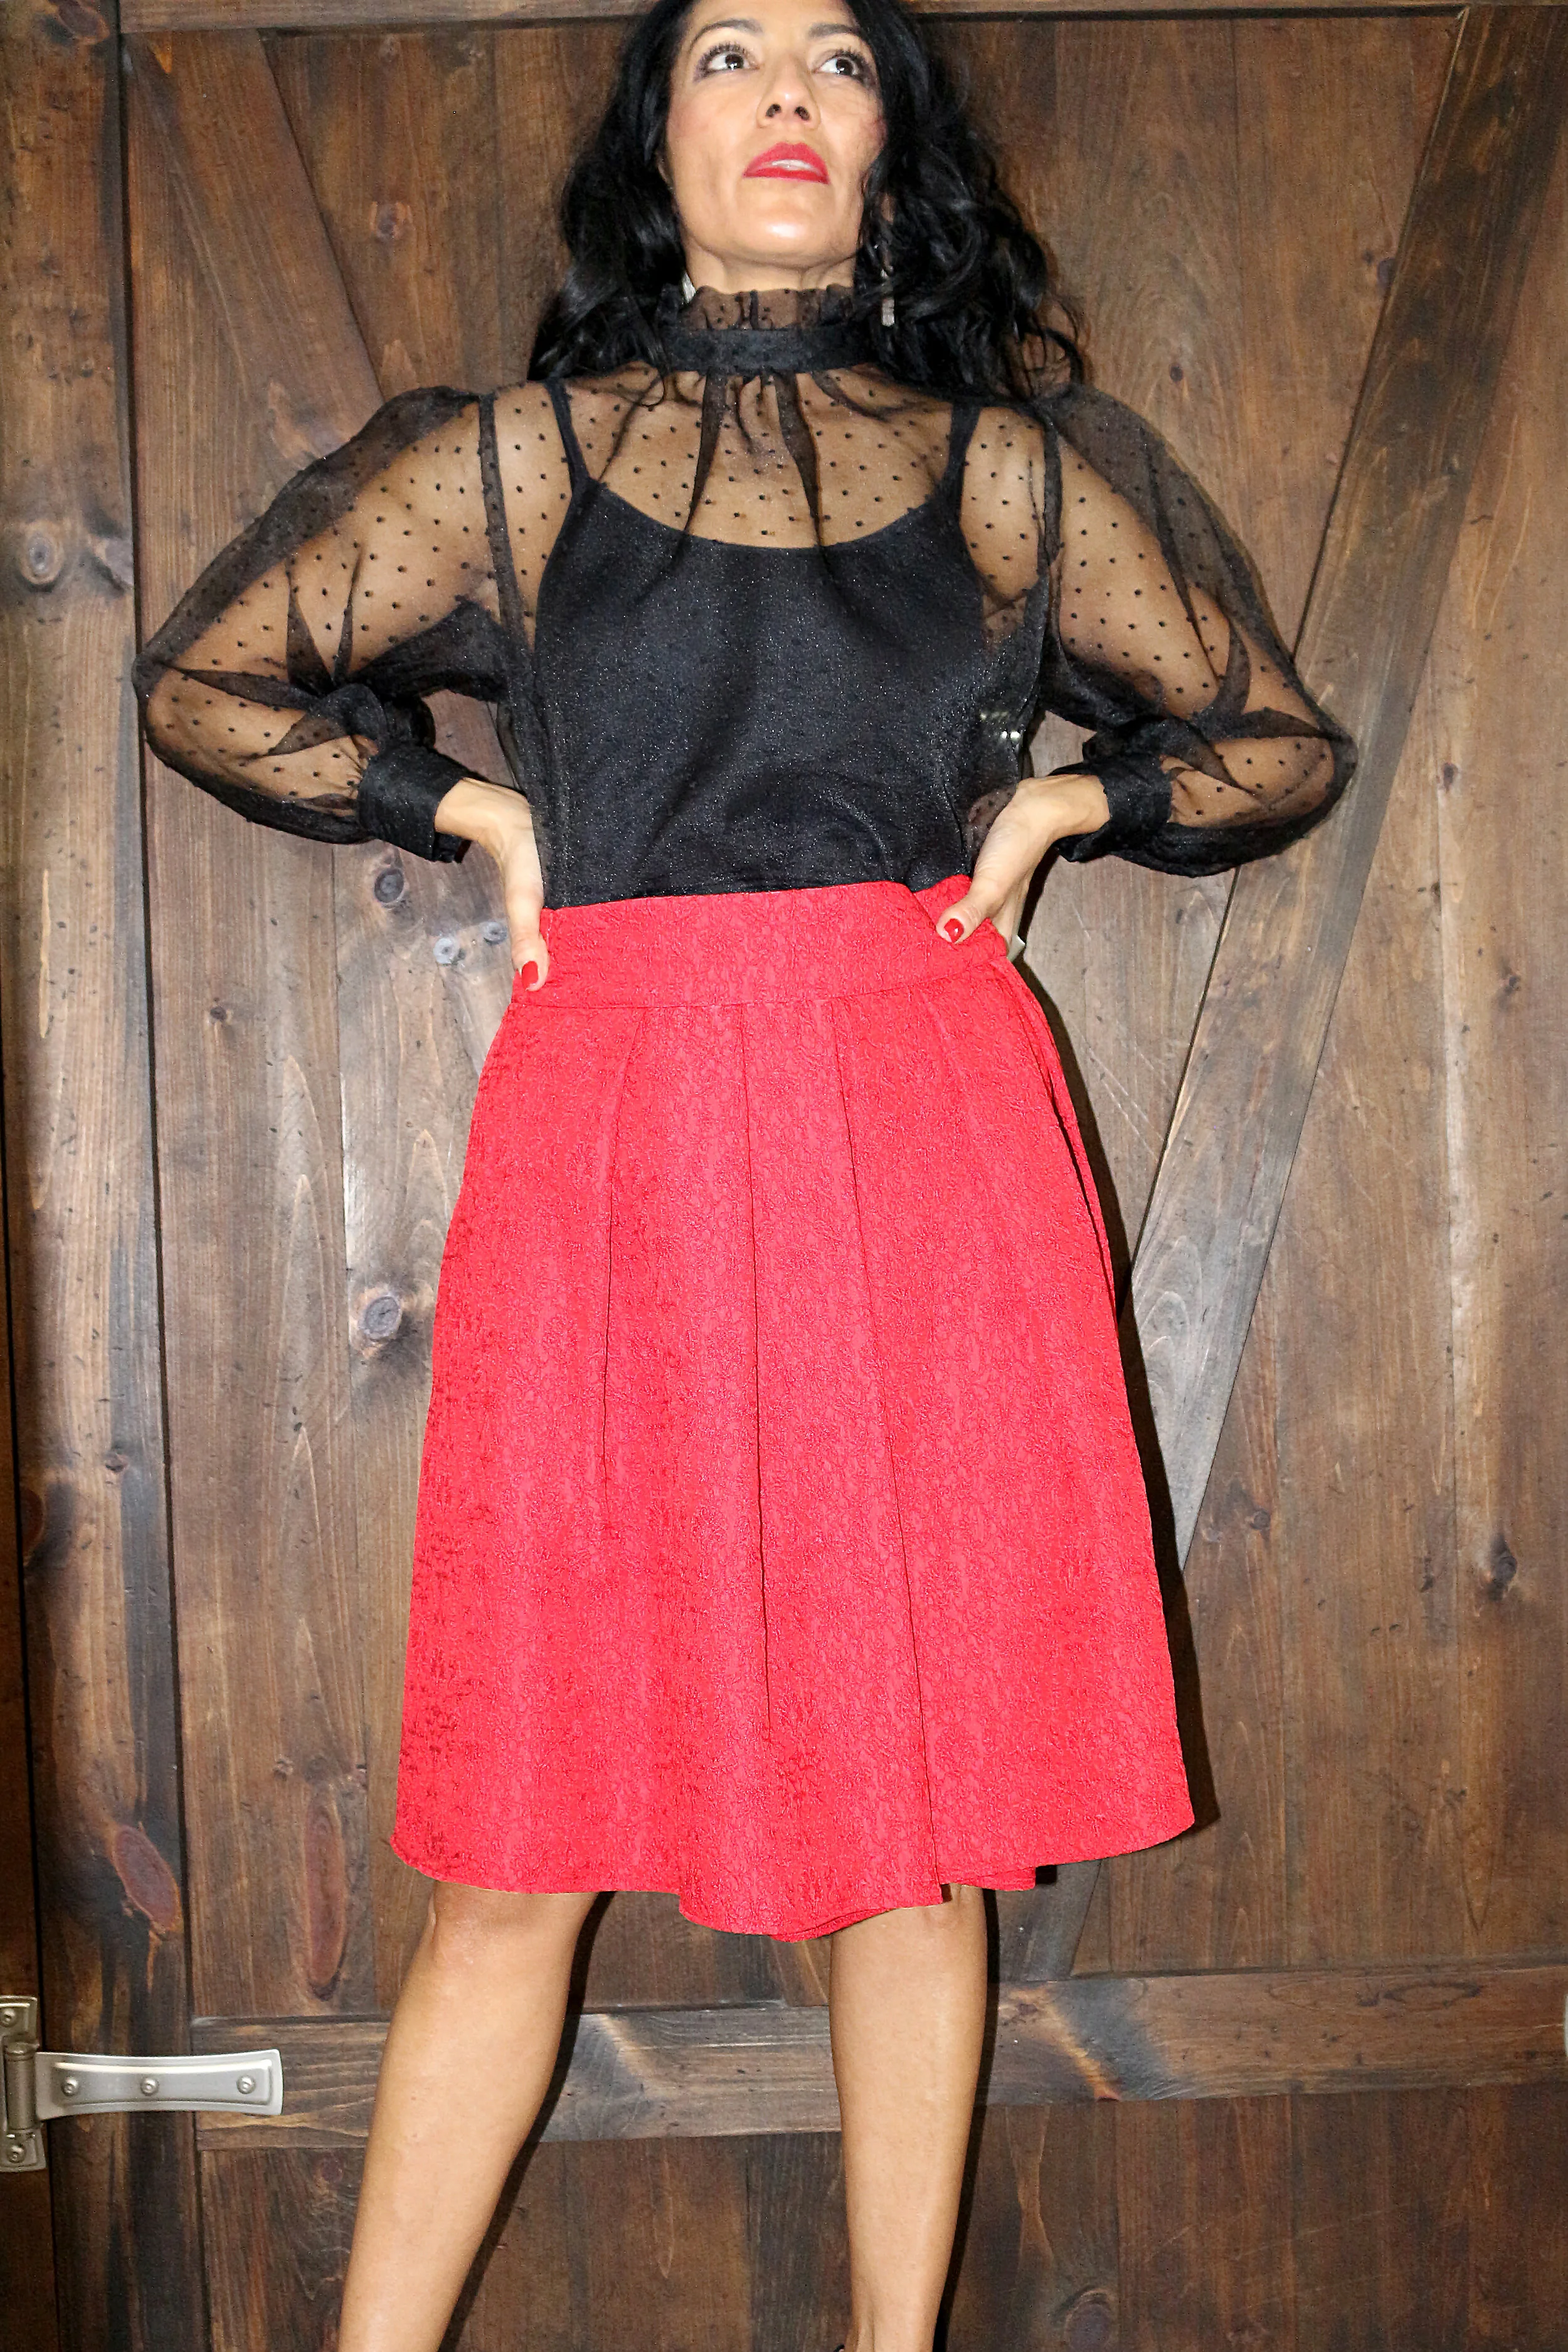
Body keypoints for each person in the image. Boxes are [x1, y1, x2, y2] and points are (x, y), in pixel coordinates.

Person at [133, 0, 1355, 2341]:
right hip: (614, 1137)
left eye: (834, 58)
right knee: (515, 1825)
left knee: (913, 1820)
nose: (783, 94)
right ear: (653, 138)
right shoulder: (504, 464)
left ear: (891, 140)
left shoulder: (1011, 474)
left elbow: (1263, 738)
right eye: (724, 55)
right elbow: (211, 679)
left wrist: (1068, 800)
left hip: (923, 1122)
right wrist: (460, 802)